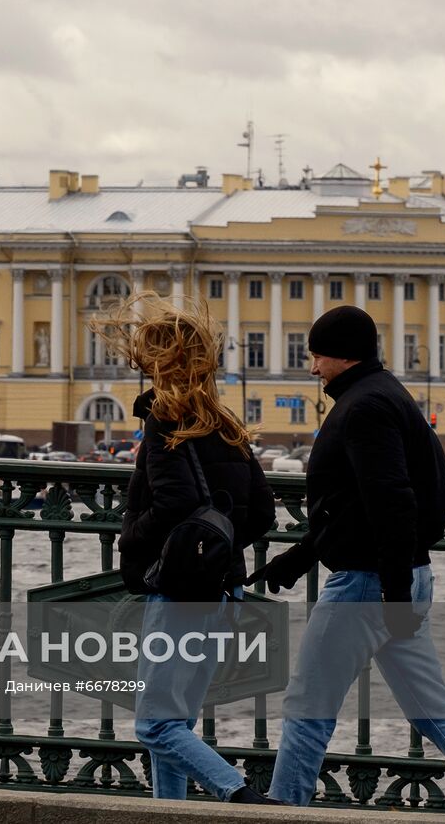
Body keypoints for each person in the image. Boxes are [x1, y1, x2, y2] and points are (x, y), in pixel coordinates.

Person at [248, 306, 445, 817]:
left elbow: (390, 501)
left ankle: (284, 809)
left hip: (367, 586)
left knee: (308, 705)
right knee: (432, 711)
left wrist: (391, 594)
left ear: (343, 354)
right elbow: (356, 505)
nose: (312, 368)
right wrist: (300, 558)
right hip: (401, 578)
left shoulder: (364, 407)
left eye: (317, 356)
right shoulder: (386, 395)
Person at [96, 293, 279, 804]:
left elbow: (175, 499)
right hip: (222, 590)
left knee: (155, 727)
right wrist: (217, 547)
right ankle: (169, 814)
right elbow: (263, 512)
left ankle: (239, 795)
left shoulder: (163, 417)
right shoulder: (225, 422)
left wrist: (131, 538)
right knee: (174, 723)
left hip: (178, 595)